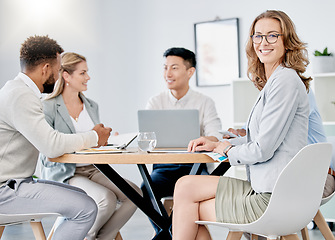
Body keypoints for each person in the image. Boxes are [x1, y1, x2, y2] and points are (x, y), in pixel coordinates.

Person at [172, 10, 311, 239]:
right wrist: (218, 141)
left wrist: (226, 149)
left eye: (272, 35)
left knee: (188, 204)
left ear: (287, 41)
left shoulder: (284, 81)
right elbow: (259, 137)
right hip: (270, 189)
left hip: (272, 198)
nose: (263, 42)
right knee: (185, 186)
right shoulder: (276, 80)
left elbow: (262, 149)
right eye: (258, 36)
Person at [0, 35, 112, 240]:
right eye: (57, 69)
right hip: (5, 191)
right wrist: (95, 136)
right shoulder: (21, 96)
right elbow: (51, 145)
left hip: (17, 183)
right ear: (45, 69)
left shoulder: (16, 90)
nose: (59, 76)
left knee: (83, 197)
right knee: (86, 208)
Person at [39, 52, 141, 240]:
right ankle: (85, 235)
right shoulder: (48, 106)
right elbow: (48, 147)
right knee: (106, 199)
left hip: (94, 169)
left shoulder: (91, 106)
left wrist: (109, 141)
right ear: (66, 76)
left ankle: (99, 237)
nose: (88, 77)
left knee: (134, 194)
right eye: (83, 73)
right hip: (66, 173)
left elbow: (94, 141)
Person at [141, 47, 222, 231]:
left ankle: (171, 234)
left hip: (195, 168)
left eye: (174, 68)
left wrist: (203, 139)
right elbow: (146, 140)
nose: (167, 73)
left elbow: (215, 135)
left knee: (195, 193)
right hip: (164, 169)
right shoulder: (155, 102)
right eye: (165, 67)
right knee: (145, 190)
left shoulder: (205, 102)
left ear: (190, 71)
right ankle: (167, 234)